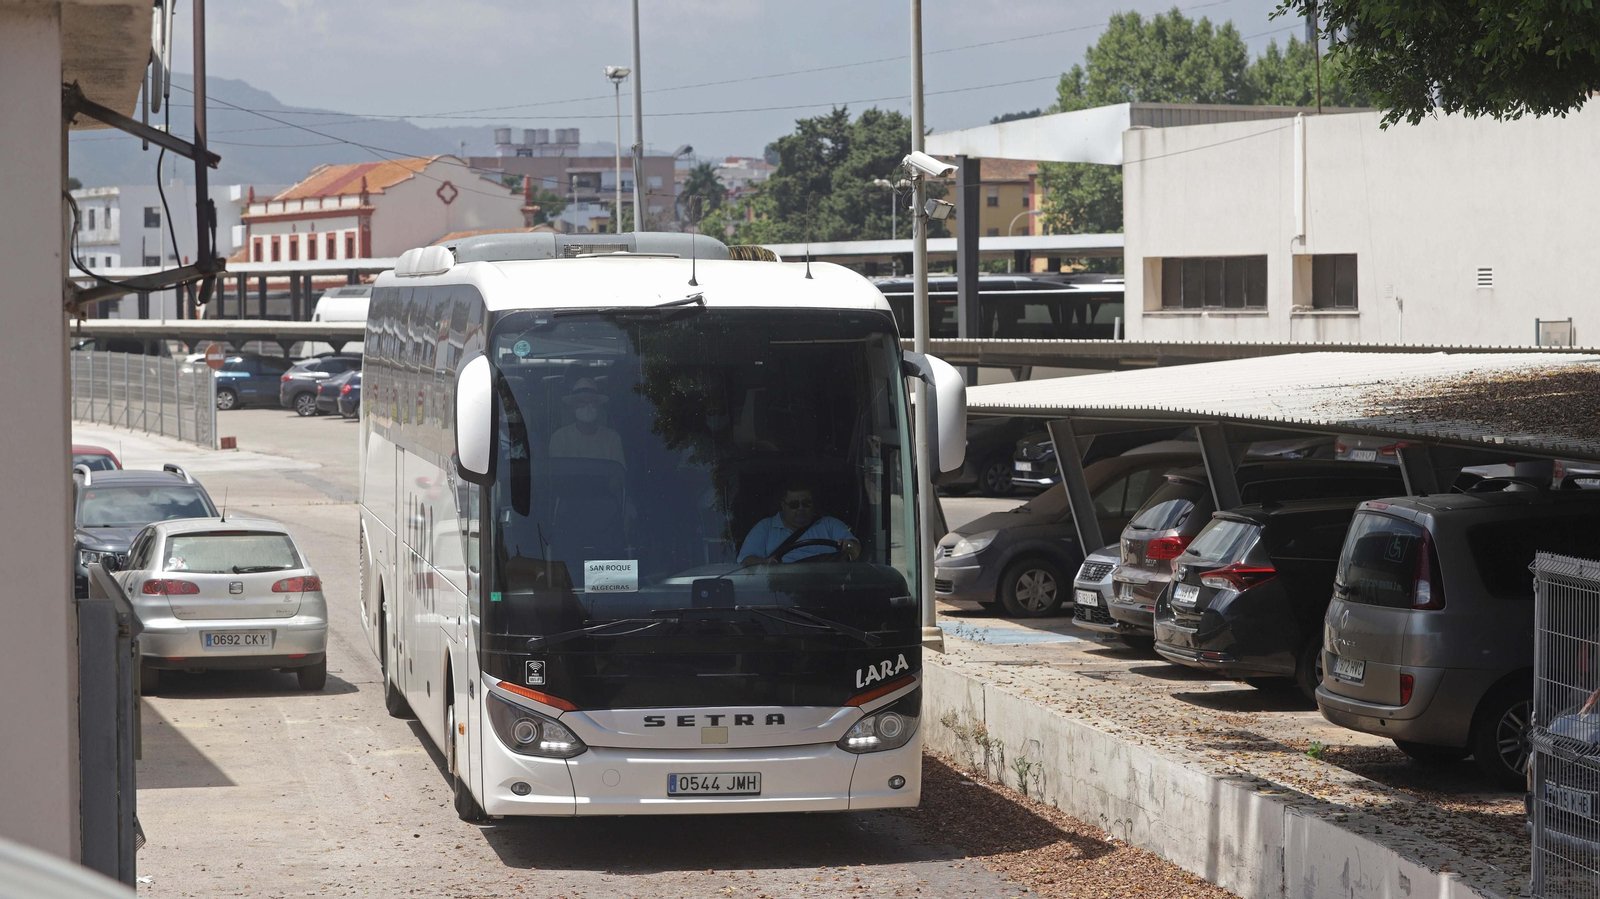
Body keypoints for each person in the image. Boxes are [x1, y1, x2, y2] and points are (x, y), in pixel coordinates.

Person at [739, 482, 860, 565]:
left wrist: (849, 547)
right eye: (794, 505)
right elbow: (746, 560)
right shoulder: (765, 527)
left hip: (827, 587)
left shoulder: (830, 524)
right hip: (780, 591)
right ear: (783, 506)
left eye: (806, 503)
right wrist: (765, 563)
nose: (801, 508)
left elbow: (855, 549)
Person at [548, 378, 625, 467]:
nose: (587, 407)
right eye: (581, 403)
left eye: (591, 402)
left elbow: (618, 476)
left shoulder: (612, 438)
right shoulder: (559, 438)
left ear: (598, 406)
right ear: (572, 407)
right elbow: (558, 475)